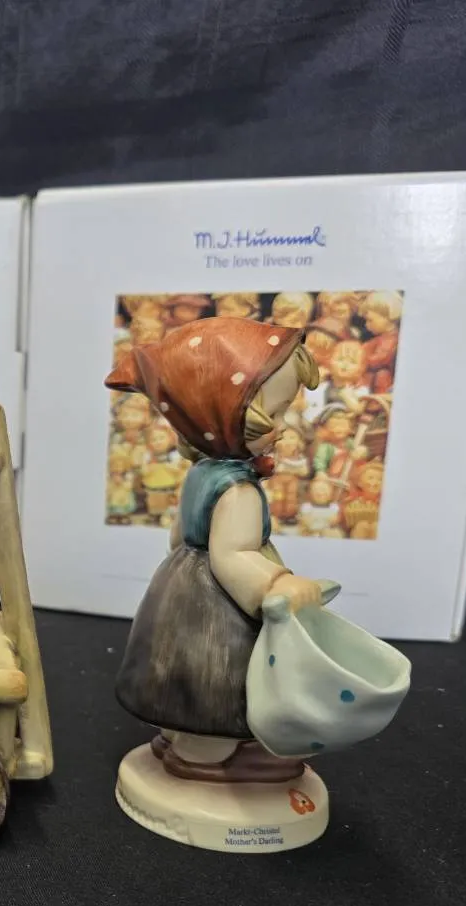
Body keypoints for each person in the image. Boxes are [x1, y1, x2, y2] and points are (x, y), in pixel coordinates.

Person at [105, 317, 323, 782]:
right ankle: (204, 756)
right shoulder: (238, 491)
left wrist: (177, 579)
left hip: (181, 589)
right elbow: (232, 556)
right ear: (222, 415)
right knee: (216, 679)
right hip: (216, 609)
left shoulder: (201, 473)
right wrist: (277, 584)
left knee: (180, 674)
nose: (285, 426)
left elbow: (178, 537)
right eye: (276, 413)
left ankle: (178, 734)